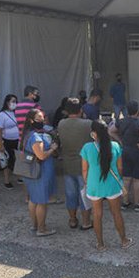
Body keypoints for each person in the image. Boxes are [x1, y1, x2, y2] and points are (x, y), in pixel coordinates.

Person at [81, 120, 133, 251]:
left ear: (93, 133)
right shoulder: (115, 145)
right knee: (116, 213)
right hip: (112, 184)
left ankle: (100, 244)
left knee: (97, 215)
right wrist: (119, 178)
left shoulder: (87, 147)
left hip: (94, 184)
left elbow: (84, 170)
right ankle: (124, 240)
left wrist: (87, 182)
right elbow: (120, 167)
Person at [110, 100, 139, 211]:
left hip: (125, 151)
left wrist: (120, 140)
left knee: (126, 179)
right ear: (138, 111)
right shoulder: (138, 123)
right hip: (138, 152)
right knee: (137, 180)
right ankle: (137, 204)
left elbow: (111, 131)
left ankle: (125, 202)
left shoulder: (121, 121)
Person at [57, 98, 93, 230]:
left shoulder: (61, 123)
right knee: (84, 194)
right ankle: (86, 221)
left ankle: (72, 219)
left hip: (67, 164)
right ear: (81, 110)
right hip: (84, 165)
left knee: (70, 194)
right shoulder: (87, 124)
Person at [22, 109, 58, 236]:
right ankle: (42, 229)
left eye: (43, 117)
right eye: (39, 118)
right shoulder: (36, 137)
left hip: (31, 171)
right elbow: (41, 156)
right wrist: (52, 149)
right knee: (42, 202)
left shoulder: (27, 134)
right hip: (40, 172)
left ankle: (35, 225)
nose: (42, 120)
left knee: (33, 200)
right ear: (32, 120)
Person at [0, 94, 21, 189]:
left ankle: (19, 177)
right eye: (13, 101)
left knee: (18, 158)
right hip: (7, 140)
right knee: (7, 160)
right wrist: (0, 145)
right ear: (7, 102)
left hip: (17, 140)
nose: (15, 103)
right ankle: (7, 180)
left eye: (16, 101)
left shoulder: (16, 113)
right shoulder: (1, 115)